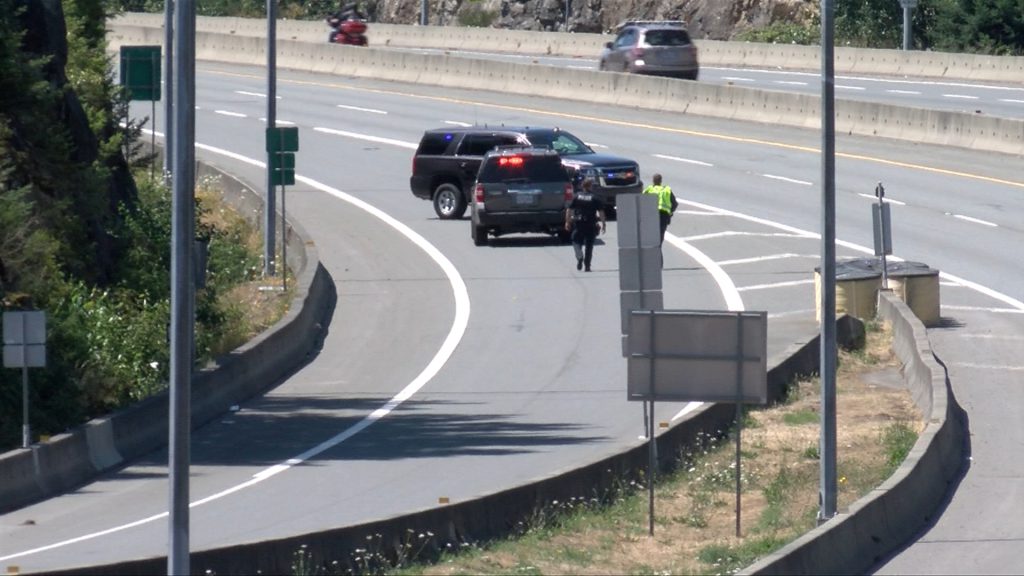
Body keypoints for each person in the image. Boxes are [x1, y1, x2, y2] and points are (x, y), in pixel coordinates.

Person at [564, 178, 606, 272]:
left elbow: (569, 210)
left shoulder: (577, 196)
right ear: (590, 186)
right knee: (589, 245)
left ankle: (579, 256)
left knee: (576, 240)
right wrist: (603, 224)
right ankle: (587, 266)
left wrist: (567, 221)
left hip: (579, 223)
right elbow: (601, 212)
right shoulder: (595, 198)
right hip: (591, 224)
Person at [642, 172, 677, 247]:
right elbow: (675, 204)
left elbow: (640, 201)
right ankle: (657, 251)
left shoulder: (649, 189)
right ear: (661, 181)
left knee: (650, 235)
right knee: (660, 236)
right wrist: (670, 213)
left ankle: (651, 250)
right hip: (663, 216)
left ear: (653, 181)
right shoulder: (666, 190)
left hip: (651, 215)